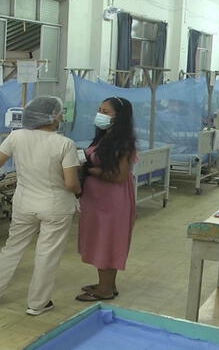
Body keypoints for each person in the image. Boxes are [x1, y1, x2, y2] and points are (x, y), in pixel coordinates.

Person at [0, 96, 81, 316]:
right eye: (60, 113)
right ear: (52, 117)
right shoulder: (65, 144)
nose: (62, 116)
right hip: (55, 206)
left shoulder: (16, 136)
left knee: (12, 247)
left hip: (24, 203)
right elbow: (71, 183)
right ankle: (37, 304)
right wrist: (80, 193)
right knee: (47, 254)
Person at [76, 96, 136, 301]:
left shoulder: (124, 143)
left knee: (107, 241)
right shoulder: (103, 137)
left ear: (119, 117)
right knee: (100, 240)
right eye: (99, 109)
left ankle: (105, 290)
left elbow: (118, 176)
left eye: (105, 112)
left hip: (111, 201)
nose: (100, 114)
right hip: (97, 200)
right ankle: (107, 284)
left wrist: (89, 170)